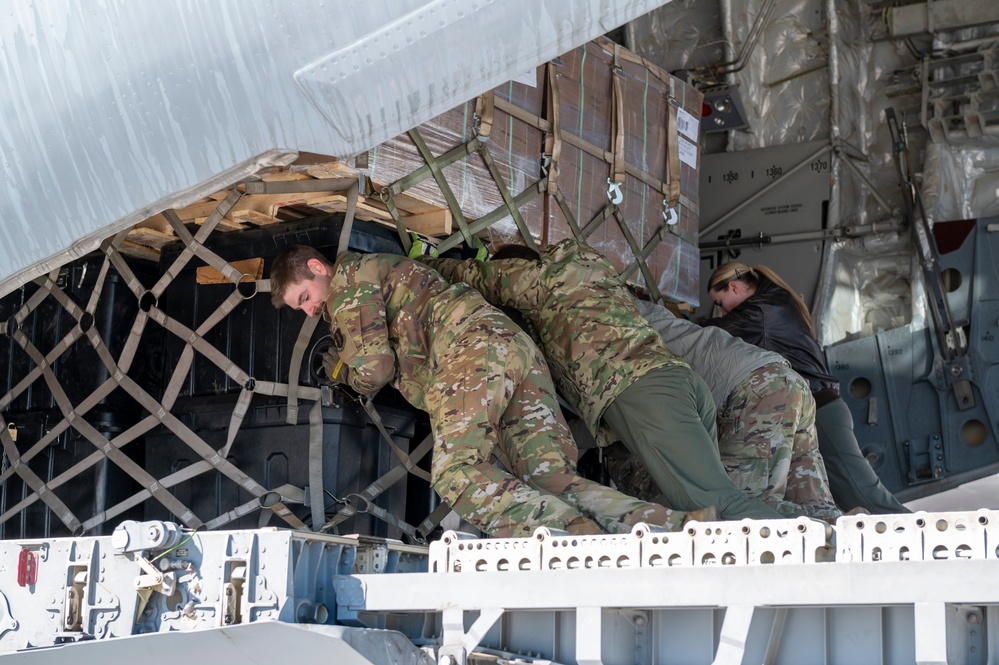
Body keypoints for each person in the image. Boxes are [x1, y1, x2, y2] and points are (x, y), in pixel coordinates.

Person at [270, 245, 706, 538]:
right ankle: (674, 526)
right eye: (301, 308)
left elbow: (375, 366)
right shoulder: (382, 266)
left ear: (316, 268)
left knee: (457, 473)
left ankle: (570, 532)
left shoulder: (348, 283)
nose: (310, 310)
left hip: (468, 357)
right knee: (551, 477)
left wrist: (344, 372)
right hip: (514, 349)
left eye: (305, 297)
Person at [420, 239, 782, 521]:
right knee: (686, 504)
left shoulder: (541, 279)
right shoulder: (594, 275)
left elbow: (476, 277)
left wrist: (425, 265)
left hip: (644, 391)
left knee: (716, 504)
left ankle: (818, 547)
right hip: (680, 384)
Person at [703, 262, 909, 514]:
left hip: (821, 412)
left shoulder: (761, 311)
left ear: (733, 287)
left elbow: (711, 336)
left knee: (867, 498)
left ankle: (927, 540)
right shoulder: (775, 301)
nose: (722, 312)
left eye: (720, 303)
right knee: (848, 501)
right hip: (822, 409)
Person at [607, 299, 841, 520]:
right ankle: (842, 534)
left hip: (759, 390)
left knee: (739, 508)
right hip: (788, 382)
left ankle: (813, 533)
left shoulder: (611, 320)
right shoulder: (653, 314)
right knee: (815, 501)